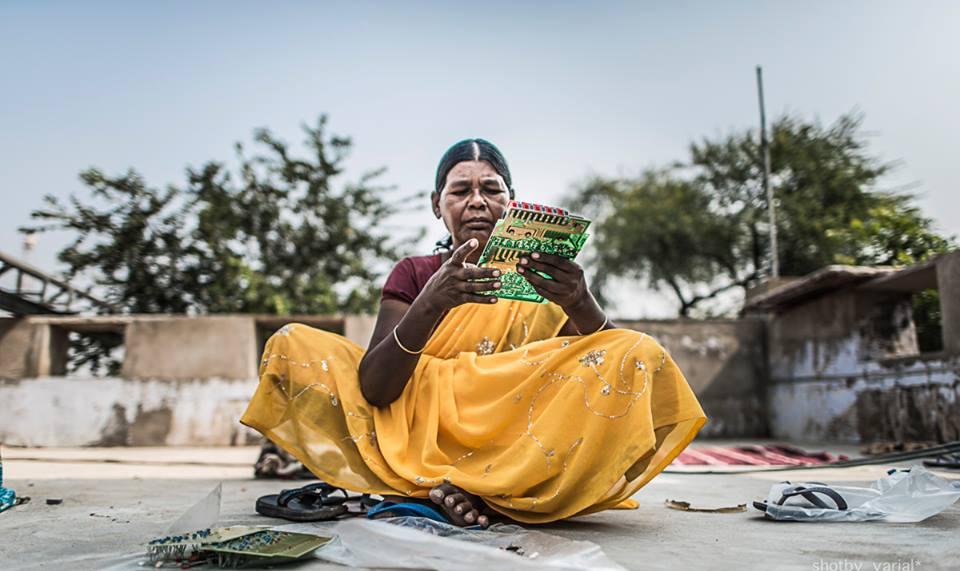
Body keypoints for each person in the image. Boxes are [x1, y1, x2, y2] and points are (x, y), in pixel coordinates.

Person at [241, 139, 707, 527]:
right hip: (414, 427)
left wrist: (579, 300)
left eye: (491, 189)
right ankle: (480, 490)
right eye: (460, 190)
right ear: (436, 204)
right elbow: (376, 388)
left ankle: (484, 486)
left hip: (509, 434)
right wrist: (431, 301)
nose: (478, 201)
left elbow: (602, 362)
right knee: (292, 343)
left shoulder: (540, 276)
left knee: (638, 351)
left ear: (512, 201)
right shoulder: (415, 271)